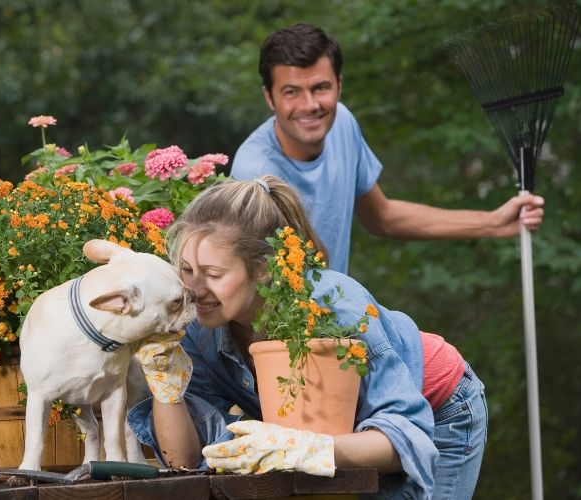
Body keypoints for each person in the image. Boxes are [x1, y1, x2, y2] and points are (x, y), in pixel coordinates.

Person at [128, 176, 487, 499]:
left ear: (264, 269)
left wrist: (309, 449)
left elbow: (404, 442)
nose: (192, 289)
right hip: (343, 434)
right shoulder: (199, 327)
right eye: (186, 270)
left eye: (213, 274)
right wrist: (166, 387)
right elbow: (187, 460)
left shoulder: (334, 306)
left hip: (439, 409)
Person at [231, 22, 545, 274]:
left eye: (320, 87)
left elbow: (383, 217)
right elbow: (254, 286)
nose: (310, 104)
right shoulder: (254, 173)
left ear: (339, 85)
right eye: (292, 92)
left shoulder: (342, 125)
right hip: (276, 336)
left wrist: (493, 222)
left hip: (332, 320)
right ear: (270, 97)